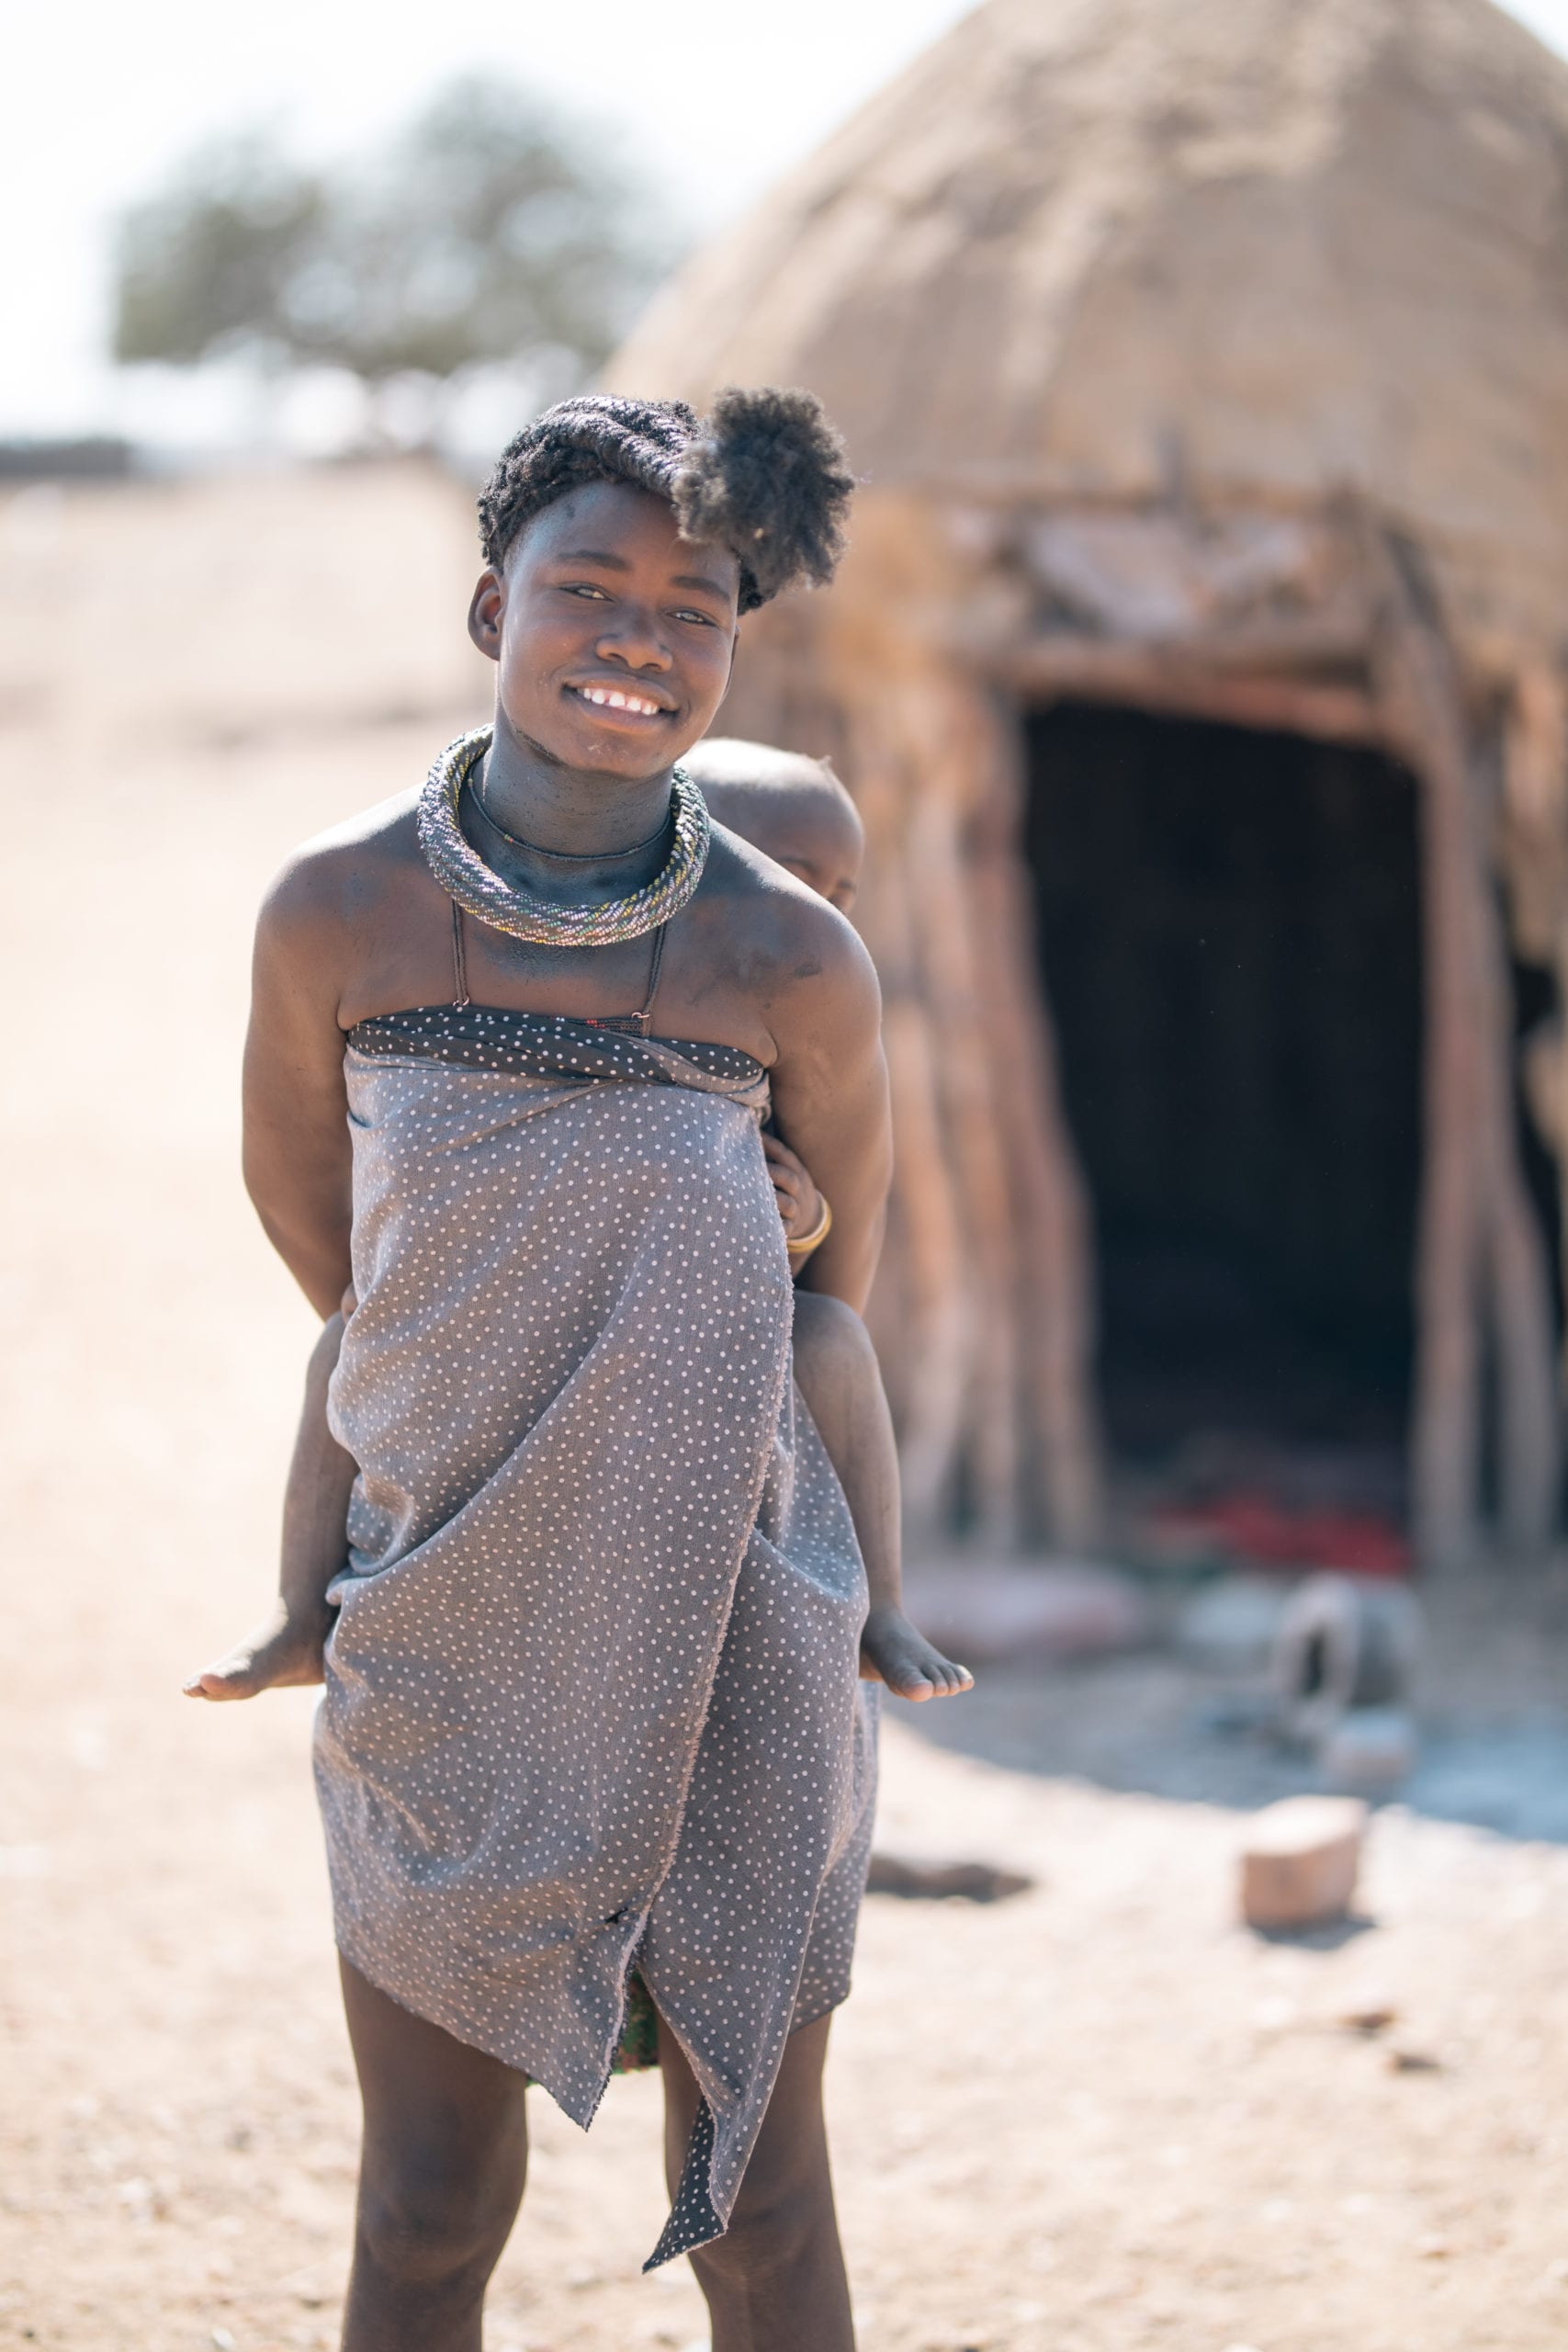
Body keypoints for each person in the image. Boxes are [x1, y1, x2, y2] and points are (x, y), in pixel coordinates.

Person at [190, 388, 968, 2352]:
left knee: (762, 2206)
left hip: (730, 1620)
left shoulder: (786, 957)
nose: (637, 636)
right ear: (487, 608)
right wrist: (499, 1347)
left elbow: (822, 1295)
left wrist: (668, 1297)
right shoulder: (341, 909)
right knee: (428, 2201)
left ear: (736, 642)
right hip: (446, 1601)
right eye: (585, 586)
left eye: (693, 605)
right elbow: (326, 1237)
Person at [188, 741, 966, 1715]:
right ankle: (300, 1611)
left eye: (842, 893)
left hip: (698, 1354)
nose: (820, 913)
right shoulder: (524, 996)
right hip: (502, 1325)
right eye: (797, 877)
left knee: (837, 1337)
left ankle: (883, 1607)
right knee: (345, 1338)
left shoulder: (798, 1008)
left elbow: (795, 1258)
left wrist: (804, 1224)